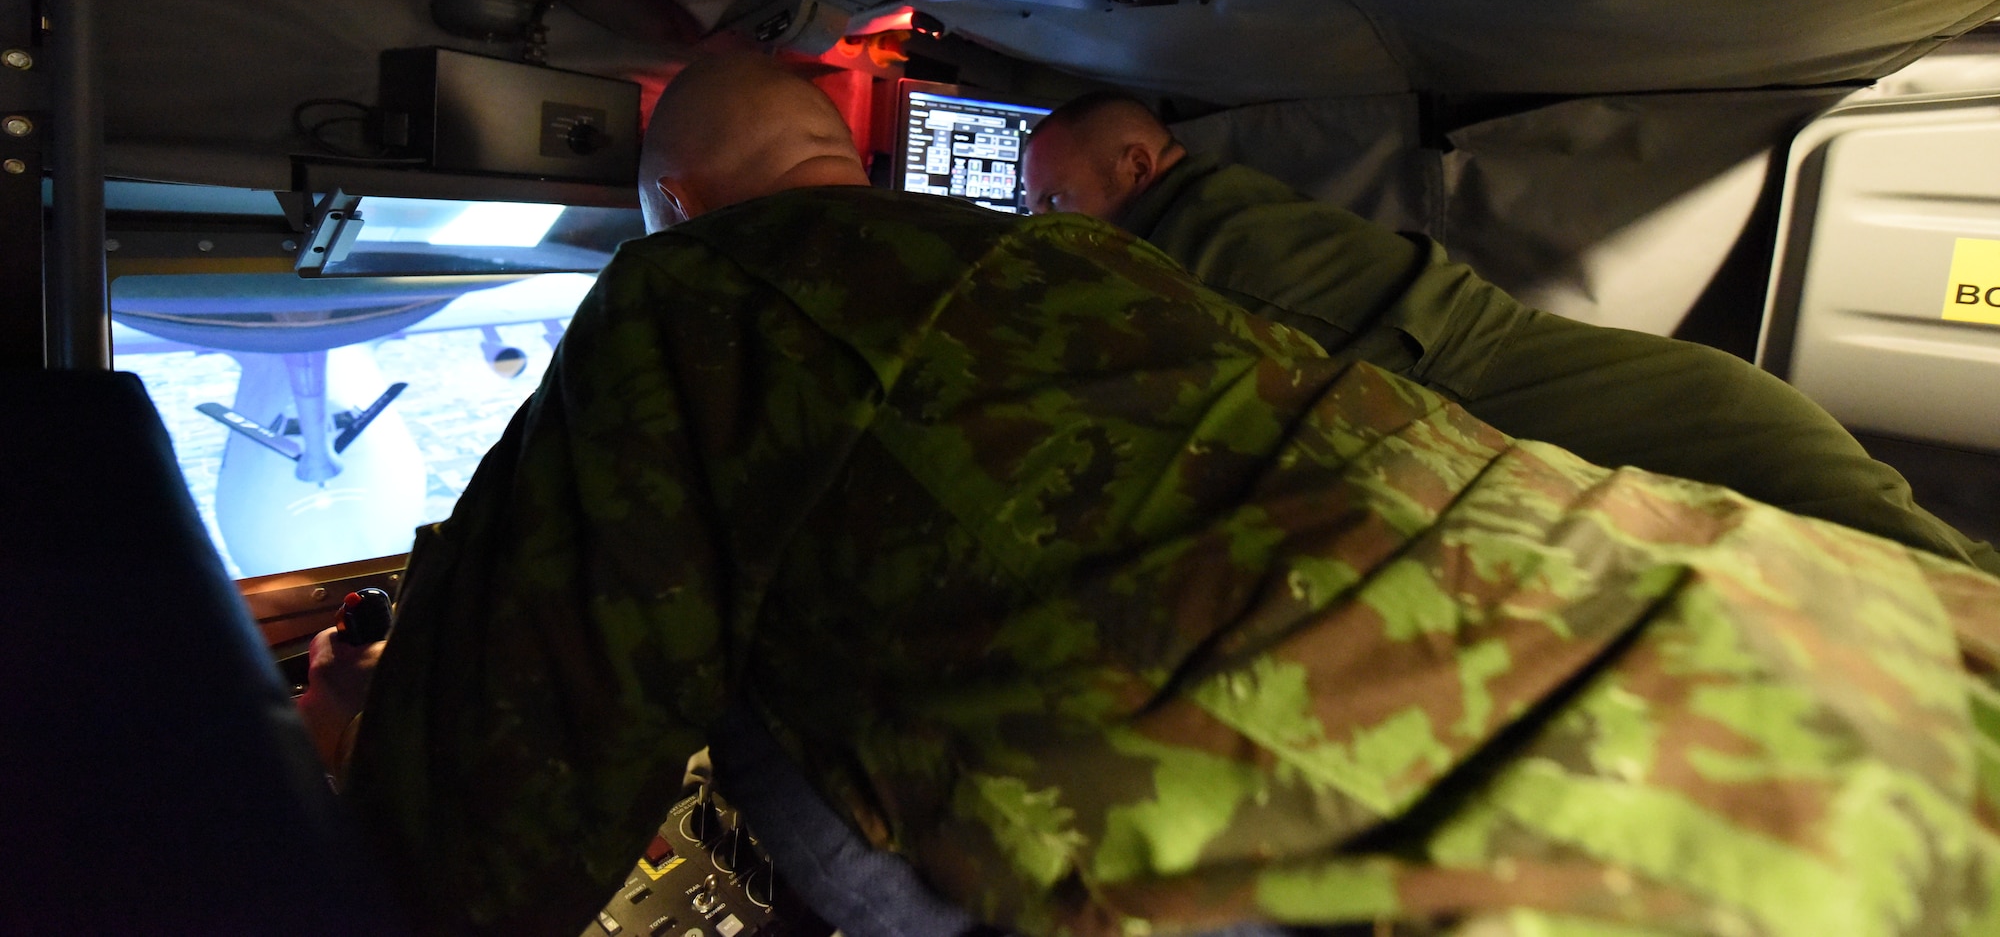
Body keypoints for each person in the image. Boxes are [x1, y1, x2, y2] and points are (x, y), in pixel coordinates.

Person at [311, 56, 2000, 937]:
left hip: (1535, 835)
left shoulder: (694, 293)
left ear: (673, 198)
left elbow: (514, 761)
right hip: (1851, 649)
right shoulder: (1116, 267)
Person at [1022, 91, 2000, 574]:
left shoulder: (1205, 238)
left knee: (1923, 580)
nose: (1043, 224)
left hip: (1694, 417)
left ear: (1138, 164)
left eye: (1055, 198)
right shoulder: (1216, 223)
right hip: (1695, 403)